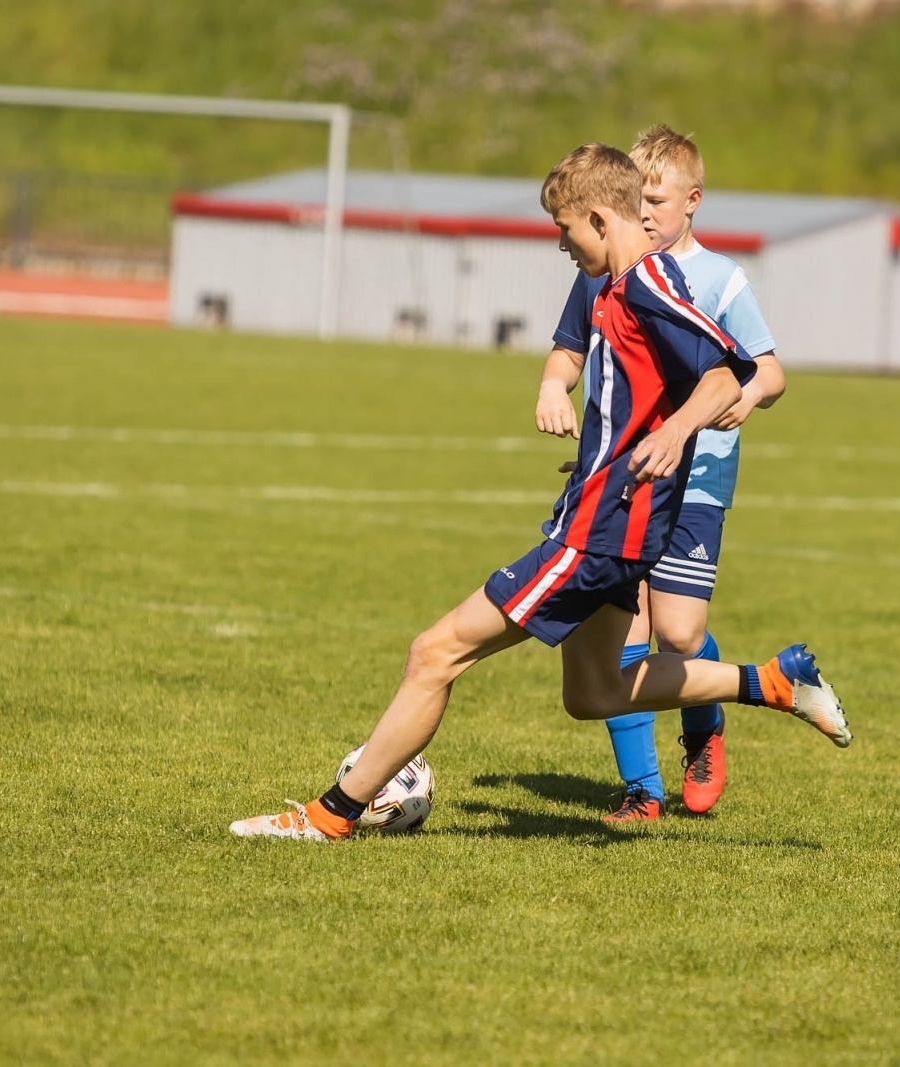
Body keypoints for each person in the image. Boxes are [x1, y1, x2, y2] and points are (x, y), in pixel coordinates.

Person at [230, 143, 850, 841]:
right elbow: (636, 397)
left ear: (597, 217)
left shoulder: (649, 284)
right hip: (609, 520)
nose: (561, 244)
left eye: (564, 230)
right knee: (595, 693)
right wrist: (600, 457)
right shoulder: (616, 290)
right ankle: (772, 682)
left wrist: (676, 434)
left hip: (599, 535)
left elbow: (726, 372)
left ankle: (327, 816)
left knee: (435, 652)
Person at [538, 125, 786, 822]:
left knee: (678, 634)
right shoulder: (599, 275)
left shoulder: (718, 279)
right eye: (637, 197)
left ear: (691, 200)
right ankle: (641, 789)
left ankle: (704, 727)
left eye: (657, 197)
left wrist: (738, 398)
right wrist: (555, 387)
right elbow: (567, 351)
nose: (645, 211)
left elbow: (767, 368)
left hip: (697, 476)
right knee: (626, 628)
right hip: (619, 486)